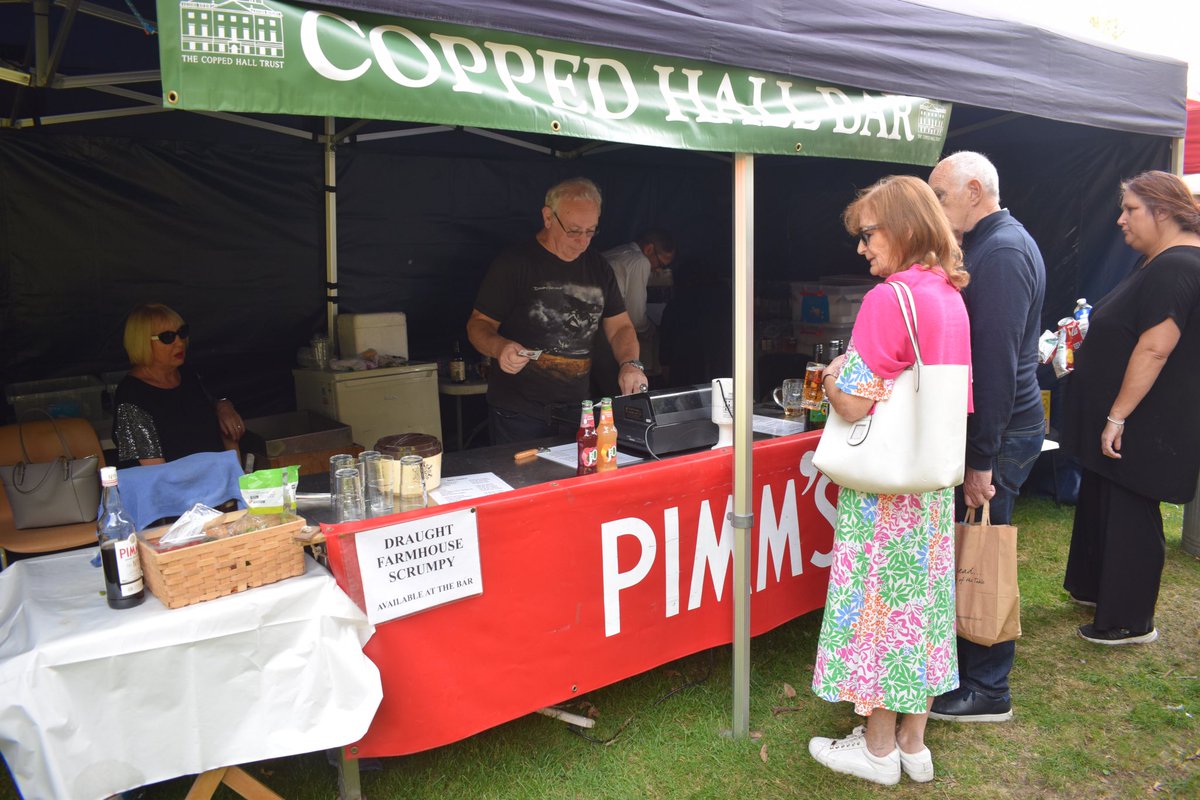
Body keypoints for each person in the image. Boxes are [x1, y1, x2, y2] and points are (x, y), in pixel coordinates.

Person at [809, 175, 972, 786]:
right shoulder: (948, 295)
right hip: (928, 483)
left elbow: (853, 403)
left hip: (884, 489)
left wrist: (830, 377)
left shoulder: (890, 299)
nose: (862, 247)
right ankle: (911, 744)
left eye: (868, 233)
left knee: (880, 608)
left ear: (903, 229)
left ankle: (875, 751)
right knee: (923, 610)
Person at [926, 151, 1046, 723]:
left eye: (941, 198)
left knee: (984, 549)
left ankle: (988, 686)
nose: (936, 209)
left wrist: (981, 461)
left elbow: (994, 365)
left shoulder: (1000, 251)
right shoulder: (1001, 242)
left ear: (975, 190)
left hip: (1001, 429)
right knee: (974, 544)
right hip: (1001, 425)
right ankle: (972, 672)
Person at [1061, 170, 1200, 645]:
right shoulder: (1157, 262)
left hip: (1146, 419)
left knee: (1130, 507)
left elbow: (1155, 347)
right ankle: (1096, 588)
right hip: (1129, 416)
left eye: (1130, 209)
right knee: (1105, 498)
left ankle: (1128, 620)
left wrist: (1118, 415)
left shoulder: (1177, 266)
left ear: (1162, 211)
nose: (1120, 219)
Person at [467, 177, 644, 445]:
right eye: (574, 231)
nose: (582, 241)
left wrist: (630, 364)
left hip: (578, 410)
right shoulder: (514, 264)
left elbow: (620, 326)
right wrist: (499, 347)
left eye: (590, 231)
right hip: (519, 413)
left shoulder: (598, 266)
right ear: (548, 217)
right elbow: (478, 324)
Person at [112, 303, 245, 468]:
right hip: (175, 490)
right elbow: (155, 471)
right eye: (167, 337)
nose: (180, 342)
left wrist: (223, 405)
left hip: (217, 483)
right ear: (143, 343)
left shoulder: (187, 374)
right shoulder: (131, 395)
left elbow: (216, 416)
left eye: (182, 333)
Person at [591, 229, 677, 392]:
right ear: (649, 249)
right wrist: (655, 332)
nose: (658, 270)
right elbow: (636, 317)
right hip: (610, 339)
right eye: (660, 263)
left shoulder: (614, 254)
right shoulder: (639, 261)